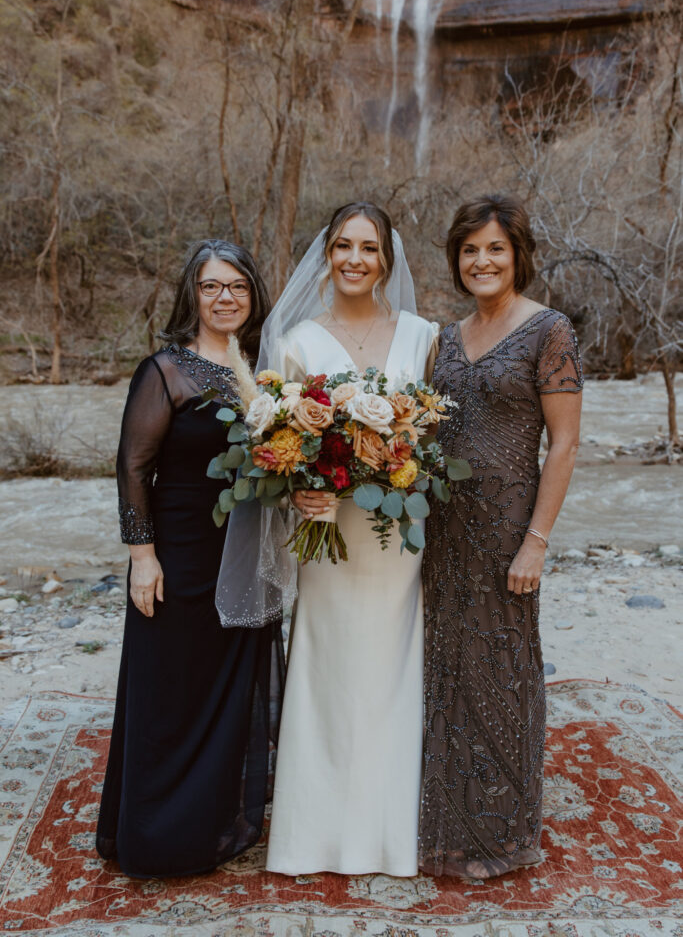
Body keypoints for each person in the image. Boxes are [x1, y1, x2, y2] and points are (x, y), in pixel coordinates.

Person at [218, 202, 438, 876]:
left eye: (368, 248)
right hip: (326, 532)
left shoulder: (424, 334)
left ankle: (387, 835)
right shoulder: (297, 341)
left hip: (392, 535)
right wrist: (297, 486)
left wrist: (402, 466)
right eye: (342, 245)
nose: (353, 258)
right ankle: (309, 837)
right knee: (328, 667)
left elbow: (435, 435)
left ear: (387, 261)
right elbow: (273, 446)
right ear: (327, 254)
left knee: (389, 674)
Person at [96, 239, 283, 878]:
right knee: (170, 689)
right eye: (211, 287)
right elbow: (133, 466)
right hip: (179, 555)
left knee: (229, 692)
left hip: (245, 555)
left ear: (252, 295)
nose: (225, 297)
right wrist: (141, 557)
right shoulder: (165, 371)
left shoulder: (261, 371)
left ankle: (213, 819)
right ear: (193, 295)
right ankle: (156, 836)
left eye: (236, 286)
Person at [418, 194, 583, 879]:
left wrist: (536, 541)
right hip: (443, 531)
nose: (481, 261)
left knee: (504, 673)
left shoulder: (547, 330)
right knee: (446, 671)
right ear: (456, 260)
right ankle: (446, 825)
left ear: (517, 255)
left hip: (508, 531)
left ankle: (502, 832)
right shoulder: (445, 340)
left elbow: (565, 443)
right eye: (469, 250)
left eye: (494, 248)